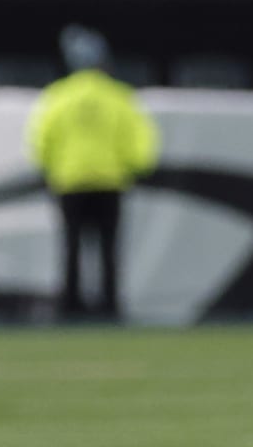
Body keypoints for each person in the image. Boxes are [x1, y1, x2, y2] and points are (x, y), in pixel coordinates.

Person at [25, 26, 160, 321]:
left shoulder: (59, 96)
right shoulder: (119, 96)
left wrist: (48, 167)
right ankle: (109, 306)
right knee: (109, 249)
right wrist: (137, 167)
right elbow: (139, 139)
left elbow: (41, 138)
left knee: (71, 247)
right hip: (110, 181)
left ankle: (70, 306)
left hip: (69, 181)